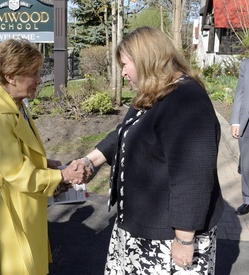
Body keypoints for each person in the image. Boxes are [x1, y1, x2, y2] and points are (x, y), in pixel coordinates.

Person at [77, 27, 225, 274]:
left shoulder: (187, 100)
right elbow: (124, 132)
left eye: (125, 64)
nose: (123, 72)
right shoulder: (155, 92)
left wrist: (185, 239)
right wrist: (89, 161)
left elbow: (193, 176)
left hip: (168, 239)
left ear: (147, 60)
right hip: (140, 228)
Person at [0, 38, 90, 275]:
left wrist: (45, 164)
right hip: (7, 215)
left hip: (24, 207)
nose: (39, 80)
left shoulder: (16, 104)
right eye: (34, 73)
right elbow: (16, 173)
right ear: (11, 76)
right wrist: (62, 175)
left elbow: (17, 152)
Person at [231, 58, 249, 215]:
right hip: (247, 123)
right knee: (247, 165)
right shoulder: (246, 64)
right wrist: (235, 122)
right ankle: (247, 199)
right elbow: (240, 93)